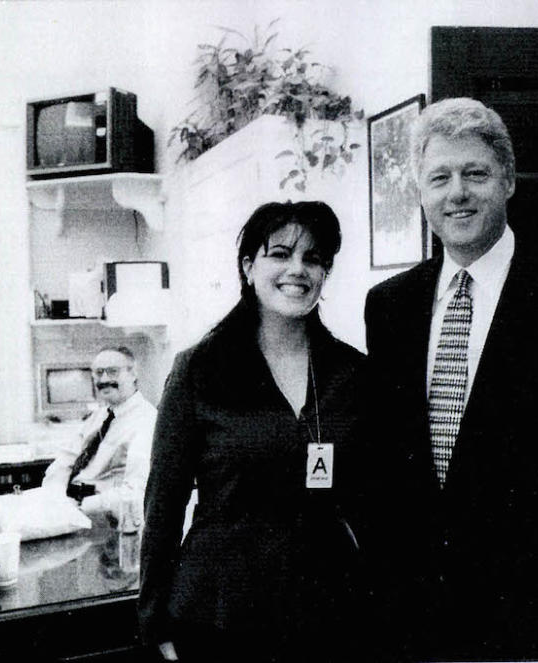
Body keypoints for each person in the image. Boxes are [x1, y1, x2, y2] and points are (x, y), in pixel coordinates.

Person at [363, 98, 538, 660]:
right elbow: (389, 462)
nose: (457, 193)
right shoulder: (389, 307)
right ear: (420, 192)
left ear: (509, 180)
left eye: (476, 173)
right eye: (439, 177)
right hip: (417, 618)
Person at [138, 201, 371, 662]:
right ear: (248, 266)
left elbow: (371, 499)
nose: (297, 269)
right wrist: (153, 618)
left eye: (313, 258)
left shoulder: (352, 373)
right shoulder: (200, 370)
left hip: (327, 610)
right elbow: (163, 504)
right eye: (280, 254)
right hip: (220, 612)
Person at [41, 346, 157, 518]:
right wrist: (55, 496)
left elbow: (136, 491)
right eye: (98, 372)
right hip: (68, 506)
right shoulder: (100, 415)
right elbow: (66, 459)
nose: (104, 379)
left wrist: (81, 506)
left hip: (102, 514)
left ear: (133, 374)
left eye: (112, 372)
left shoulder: (146, 421)